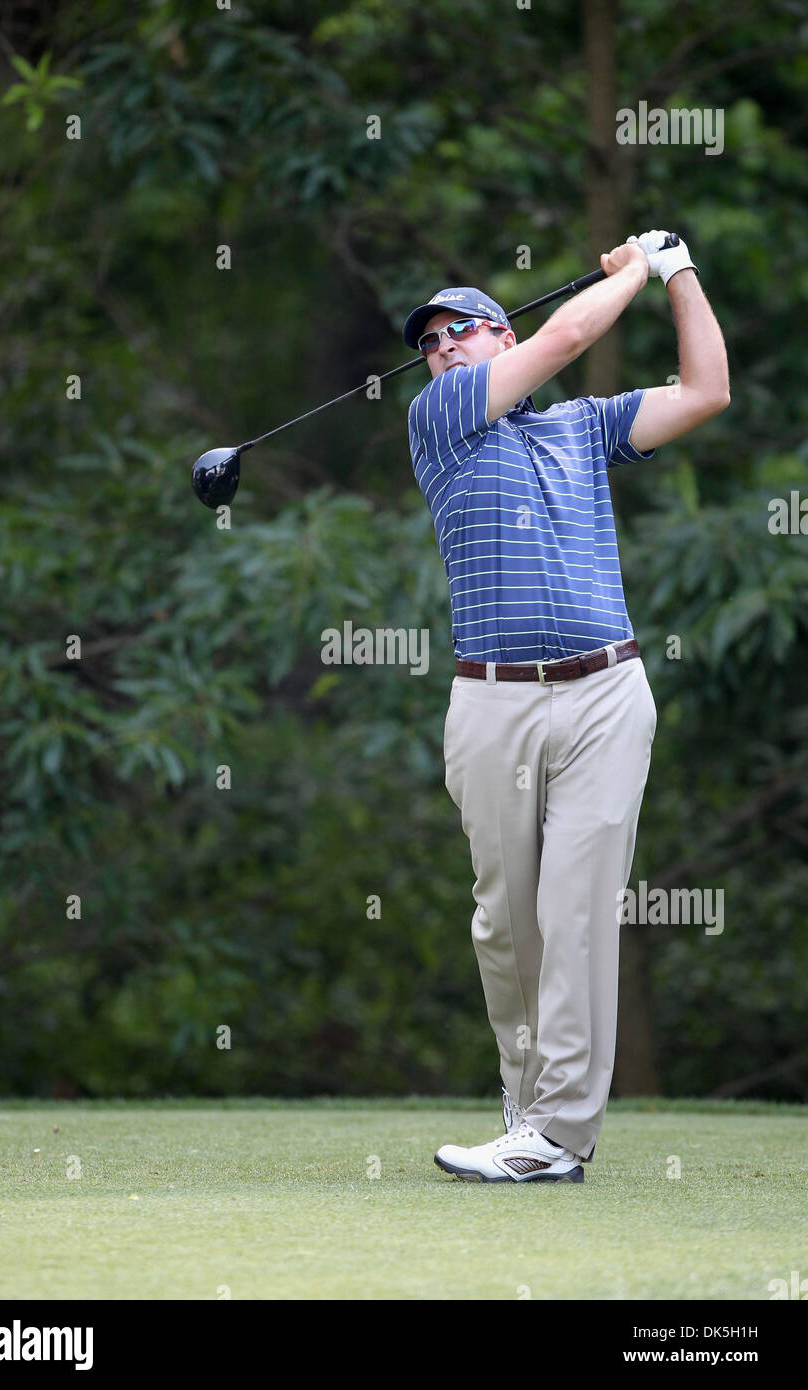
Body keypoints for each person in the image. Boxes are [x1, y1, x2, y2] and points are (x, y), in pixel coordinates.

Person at [403, 231, 729, 1183]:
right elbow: (567, 337)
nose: (442, 348)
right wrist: (628, 267)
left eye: (460, 330)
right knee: (509, 927)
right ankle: (526, 1096)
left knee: (578, 912)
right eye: (429, 341)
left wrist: (676, 271)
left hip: (607, 695)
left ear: (497, 332)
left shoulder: (581, 428)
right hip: (493, 703)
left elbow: (705, 390)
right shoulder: (442, 418)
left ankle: (557, 1137)